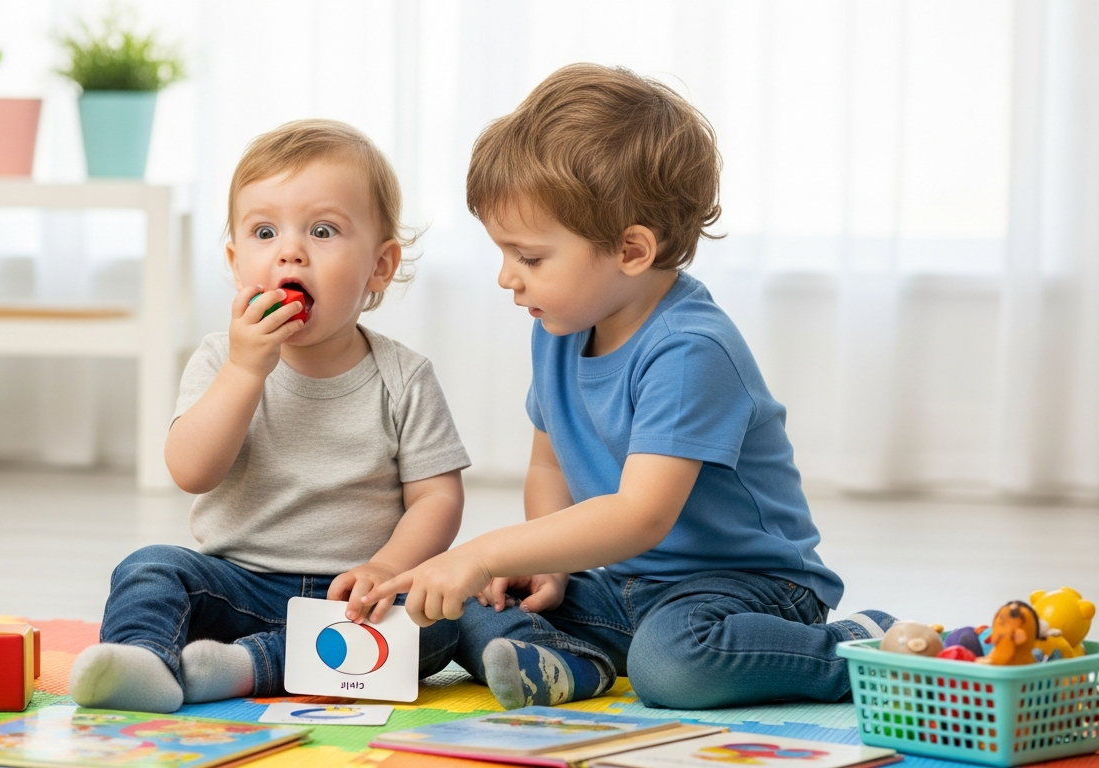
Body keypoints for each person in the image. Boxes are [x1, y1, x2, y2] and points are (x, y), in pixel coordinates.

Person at [364, 64, 895, 711]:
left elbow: (640, 515)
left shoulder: (690, 348)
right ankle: (572, 665)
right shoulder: (559, 325)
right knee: (474, 605)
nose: (508, 278)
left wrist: (481, 550)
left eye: (529, 257)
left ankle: (861, 650)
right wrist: (548, 563)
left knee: (672, 666)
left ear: (632, 250)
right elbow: (548, 459)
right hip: (632, 583)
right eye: (503, 253)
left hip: (750, 586)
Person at [71, 119, 470, 713]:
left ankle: (238, 667)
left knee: (439, 626)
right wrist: (245, 372)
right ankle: (145, 662)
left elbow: (438, 498)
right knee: (150, 568)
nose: (291, 250)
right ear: (236, 263)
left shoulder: (404, 376)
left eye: (323, 230)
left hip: (356, 598)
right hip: (235, 582)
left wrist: (387, 568)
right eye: (264, 231)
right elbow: (191, 471)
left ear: (380, 266)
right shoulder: (219, 359)